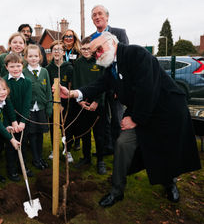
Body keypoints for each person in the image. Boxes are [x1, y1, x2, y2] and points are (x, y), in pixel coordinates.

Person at [59, 32, 202, 207]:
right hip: (140, 112)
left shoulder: (136, 54)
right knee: (122, 143)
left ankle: (169, 183)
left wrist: (135, 118)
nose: (96, 54)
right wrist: (73, 93)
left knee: (165, 148)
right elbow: (98, 85)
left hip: (165, 111)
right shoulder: (111, 66)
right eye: (94, 51)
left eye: (99, 49)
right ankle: (116, 191)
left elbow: (147, 88)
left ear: (112, 42)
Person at [91, 5, 129, 155]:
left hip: (115, 85)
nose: (97, 17)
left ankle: (118, 149)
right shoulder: (91, 38)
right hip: (100, 86)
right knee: (102, 119)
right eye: (94, 15)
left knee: (117, 118)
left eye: (100, 14)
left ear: (107, 17)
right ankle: (107, 147)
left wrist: (121, 87)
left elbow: (124, 60)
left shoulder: (119, 33)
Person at [72, 36, 106, 175]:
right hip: (83, 103)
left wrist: (97, 101)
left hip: (98, 104)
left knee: (99, 134)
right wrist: (79, 100)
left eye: (88, 48)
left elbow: (105, 83)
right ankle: (86, 158)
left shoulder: (100, 62)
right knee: (84, 133)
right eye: (83, 48)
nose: (86, 51)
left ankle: (100, 161)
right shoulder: (78, 63)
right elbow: (75, 83)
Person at [3, 53, 33, 180]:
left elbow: (27, 102)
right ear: (6, 67)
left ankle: (23, 166)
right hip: (9, 119)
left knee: (23, 143)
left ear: (22, 66)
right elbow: (7, 102)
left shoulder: (27, 82)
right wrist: (14, 121)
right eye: (12, 66)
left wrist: (23, 121)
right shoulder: (4, 81)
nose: (15, 69)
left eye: (18, 66)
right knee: (10, 145)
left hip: (22, 121)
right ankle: (12, 169)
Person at [23, 44, 52, 170]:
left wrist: (49, 106)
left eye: (36, 56)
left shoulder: (44, 71)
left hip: (41, 107)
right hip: (29, 109)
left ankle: (40, 157)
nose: (33, 58)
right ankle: (35, 159)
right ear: (26, 57)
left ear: (40, 57)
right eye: (30, 56)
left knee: (40, 133)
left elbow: (48, 90)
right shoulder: (24, 72)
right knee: (32, 134)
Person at [46, 40, 74, 162]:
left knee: (66, 128)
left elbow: (72, 86)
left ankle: (67, 150)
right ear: (51, 52)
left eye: (59, 50)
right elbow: (47, 89)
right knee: (54, 127)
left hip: (66, 105)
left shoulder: (69, 68)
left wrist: (64, 104)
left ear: (63, 52)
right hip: (53, 104)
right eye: (54, 50)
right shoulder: (47, 69)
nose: (57, 52)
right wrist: (53, 104)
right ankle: (54, 149)